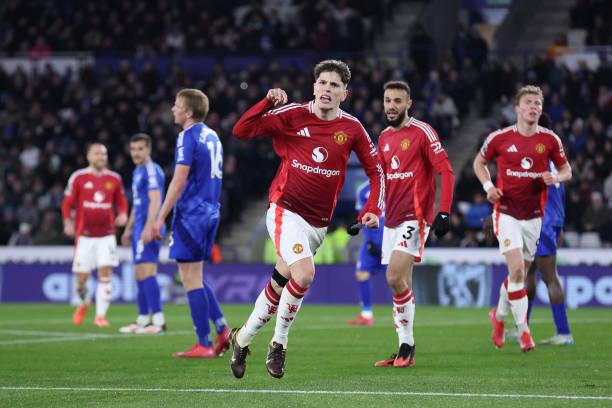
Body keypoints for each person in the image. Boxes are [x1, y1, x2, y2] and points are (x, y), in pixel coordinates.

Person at [230, 59, 384, 379]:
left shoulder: (352, 128)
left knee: (280, 283)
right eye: (322, 83)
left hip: (318, 224)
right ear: (314, 87)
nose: (327, 89)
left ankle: (242, 339)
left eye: (334, 85)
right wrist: (266, 102)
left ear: (345, 93)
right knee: (305, 274)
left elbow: (376, 170)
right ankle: (279, 345)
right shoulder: (291, 115)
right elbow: (241, 129)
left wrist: (373, 207)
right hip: (286, 209)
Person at [473, 85, 572, 352]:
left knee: (521, 274)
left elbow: (566, 171)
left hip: (536, 219)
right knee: (519, 271)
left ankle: (500, 316)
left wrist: (558, 177)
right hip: (506, 213)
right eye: (528, 102)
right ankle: (525, 331)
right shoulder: (500, 138)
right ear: (517, 108)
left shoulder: (550, 141)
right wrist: (488, 188)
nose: (533, 107)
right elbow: (478, 163)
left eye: (538, 103)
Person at [374, 80, 455, 367]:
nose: (391, 106)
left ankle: (407, 344)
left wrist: (443, 211)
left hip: (415, 217)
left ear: (409, 104)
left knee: (394, 277)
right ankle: (404, 349)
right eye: (387, 101)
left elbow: (446, 171)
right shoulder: (383, 137)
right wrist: (371, 211)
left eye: (397, 101)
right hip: (391, 220)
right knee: (401, 282)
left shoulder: (422, 132)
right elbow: (381, 180)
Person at [150, 89, 231, 358]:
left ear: (189, 112)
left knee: (190, 279)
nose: (173, 109)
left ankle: (204, 344)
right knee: (195, 276)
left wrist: (161, 216)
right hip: (210, 212)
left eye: (177, 106)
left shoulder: (187, 136)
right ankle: (222, 330)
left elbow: (179, 179)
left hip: (192, 214)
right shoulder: (213, 135)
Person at [504, 112, 573, 345]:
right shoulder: (554, 160)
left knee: (549, 276)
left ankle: (563, 333)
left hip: (539, 221)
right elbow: (560, 196)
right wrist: (559, 226)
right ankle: (522, 327)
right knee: (528, 273)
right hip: (549, 221)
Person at [62, 143, 128, 327]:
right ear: (89, 157)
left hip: (107, 235)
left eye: (104, 154)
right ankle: (84, 302)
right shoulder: (79, 177)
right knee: (81, 280)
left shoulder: (114, 179)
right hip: (84, 235)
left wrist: (123, 214)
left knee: (105, 272)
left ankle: (100, 316)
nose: (101, 157)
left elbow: (122, 201)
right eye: (97, 153)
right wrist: (68, 222)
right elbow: (67, 203)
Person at [119, 133, 167, 334]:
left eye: (140, 149)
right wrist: (129, 229)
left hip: (150, 225)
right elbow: (136, 204)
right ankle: (142, 319)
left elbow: (155, 201)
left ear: (148, 150)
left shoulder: (151, 170)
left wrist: (149, 227)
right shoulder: (137, 171)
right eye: (133, 149)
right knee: (139, 273)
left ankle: (158, 321)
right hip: (139, 226)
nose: (136, 153)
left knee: (148, 271)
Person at [347, 180, 385, 326]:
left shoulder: (394, 184)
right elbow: (362, 217)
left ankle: (400, 313)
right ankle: (366, 314)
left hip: (389, 240)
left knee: (395, 279)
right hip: (371, 240)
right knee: (361, 273)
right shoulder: (363, 190)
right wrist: (369, 240)